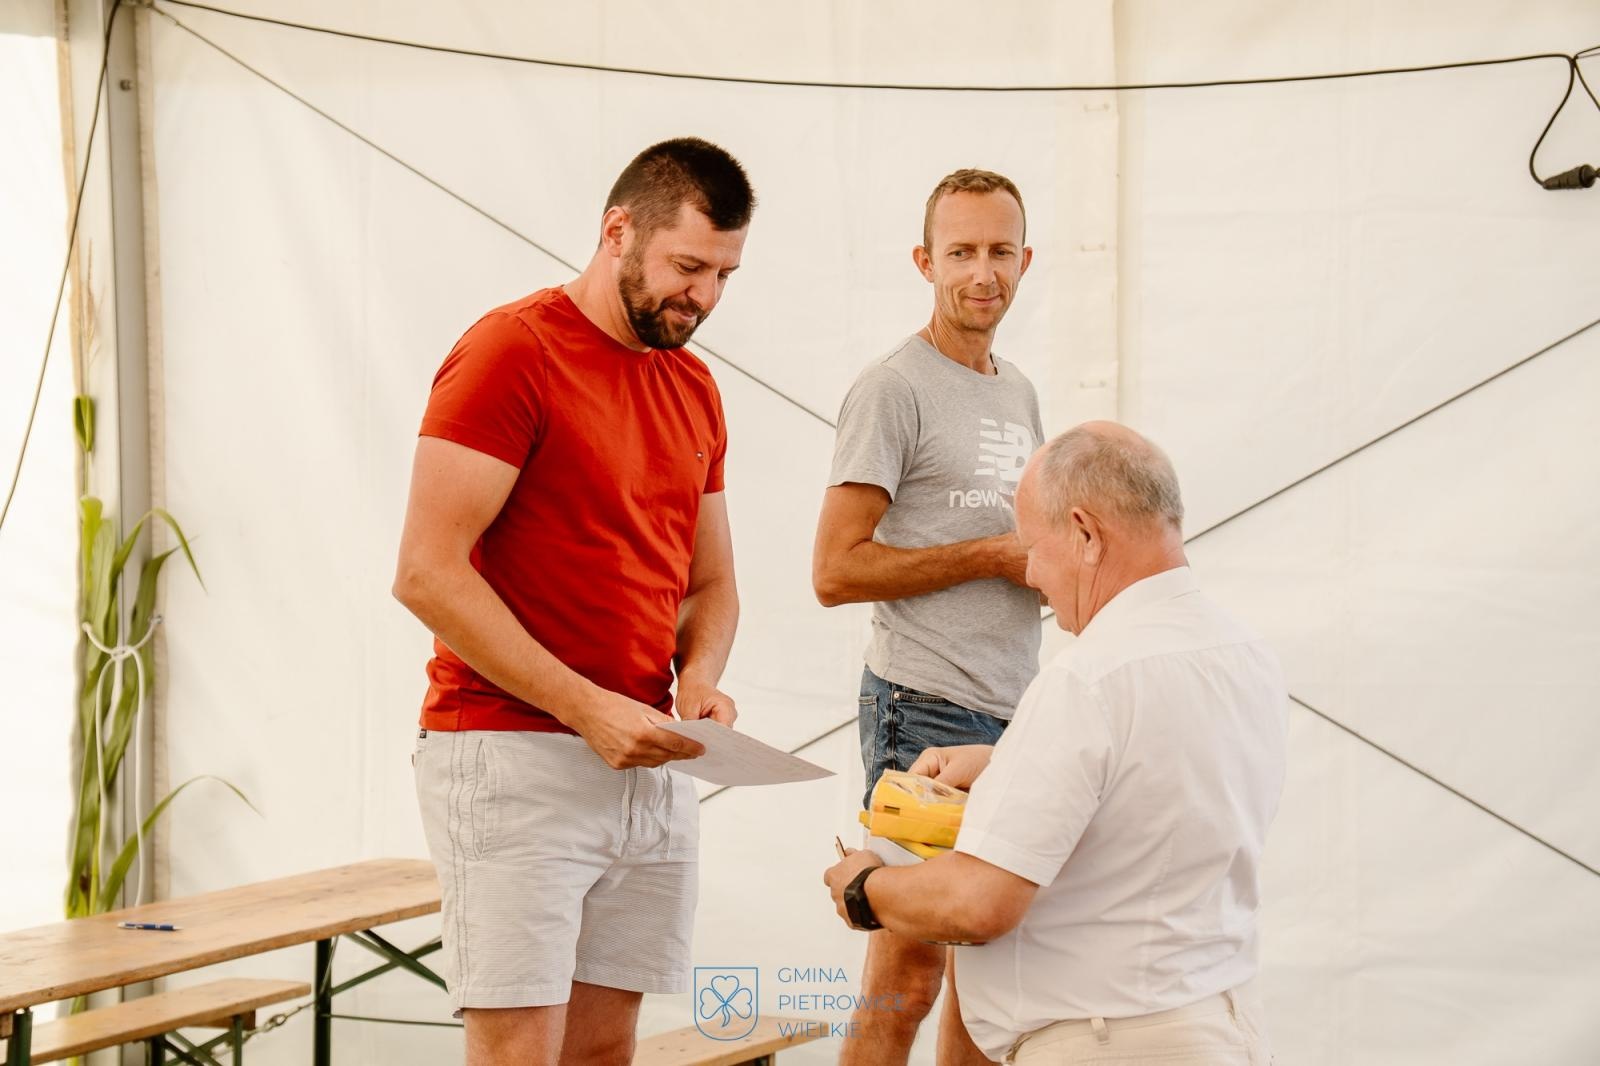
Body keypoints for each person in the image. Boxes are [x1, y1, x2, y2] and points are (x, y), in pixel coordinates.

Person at [393, 137, 756, 1066]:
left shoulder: (695, 386)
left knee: (606, 1052)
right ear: (617, 231)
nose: (704, 297)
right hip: (511, 755)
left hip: (645, 762)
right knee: (520, 1055)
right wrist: (586, 707)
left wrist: (701, 683)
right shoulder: (513, 351)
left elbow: (710, 583)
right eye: (687, 266)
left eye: (723, 273)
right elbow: (427, 573)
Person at [822, 422, 1288, 1065]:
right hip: (1215, 1026)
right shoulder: (1241, 652)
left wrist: (865, 887)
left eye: (1033, 547)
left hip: (1109, 1043)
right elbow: (1154, 785)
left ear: (1086, 534)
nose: (1031, 575)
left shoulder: (1088, 677)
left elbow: (979, 902)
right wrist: (1009, 764)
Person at [812, 169, 1044, 1064]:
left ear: (1027, 260)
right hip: (924, 710)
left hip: (1012, 720)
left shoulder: (1017, 391)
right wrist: (992, 556)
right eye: (961, 253)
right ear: (925, 261)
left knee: (989, 985)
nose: (982, 272)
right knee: (906, 980)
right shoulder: (893, 389)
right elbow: (834, 570)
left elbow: (1012, 539)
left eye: (999, 251)